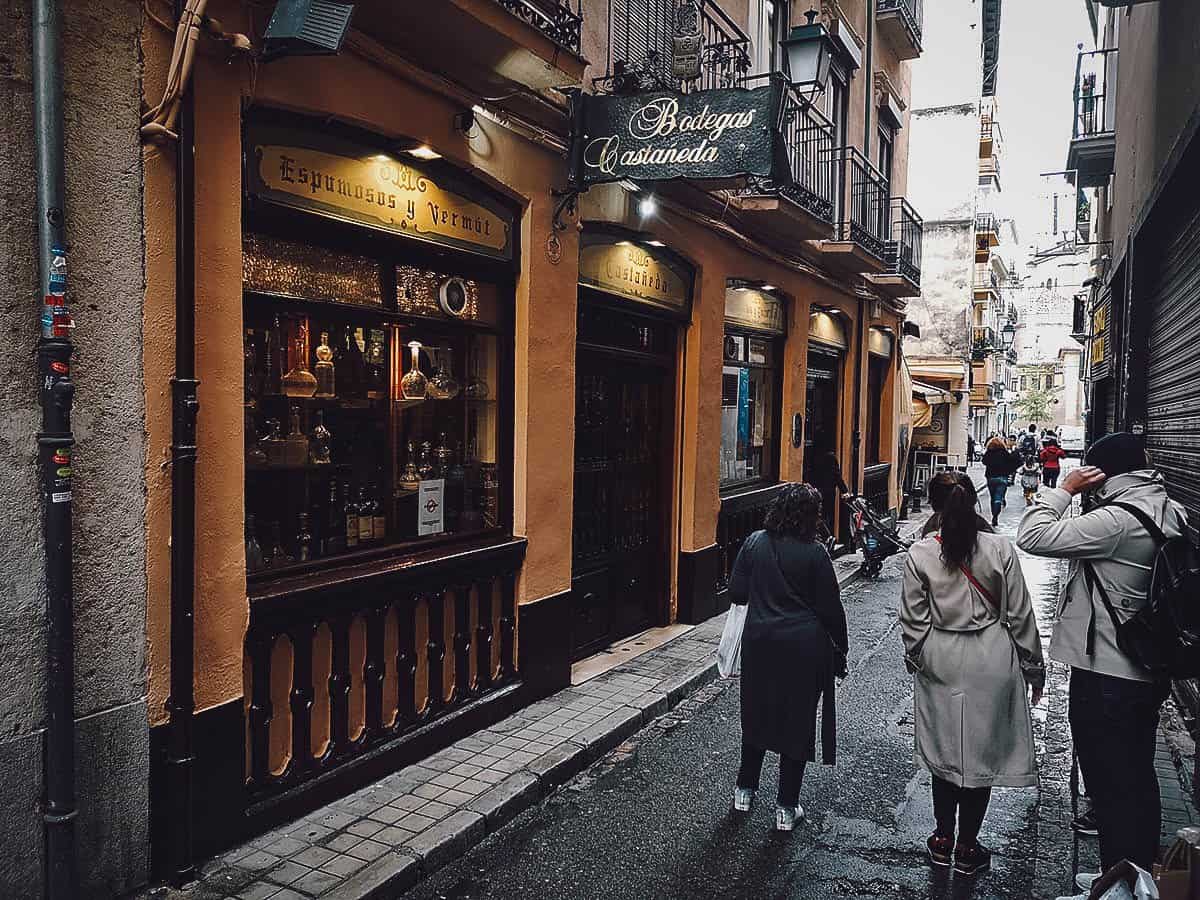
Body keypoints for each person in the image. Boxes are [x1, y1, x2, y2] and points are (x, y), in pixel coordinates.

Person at [1016, 433, 1188, 883]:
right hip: (1145, 668)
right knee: (1135, 777)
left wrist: (1065, 489)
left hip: (1109, 672)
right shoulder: (1170, 509)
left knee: (1111, 782)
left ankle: (1122, 880)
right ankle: (1132, 873)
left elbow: (1032, 534)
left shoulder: (1118, 519)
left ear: (1102, 473)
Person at [901, 472, 1045, 876]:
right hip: (992, 657)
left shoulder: (921, 553)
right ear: (973, 501)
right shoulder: (1000, 548)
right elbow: (1020, 614)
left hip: (941, 657)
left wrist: (918, 656)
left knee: (945, 755)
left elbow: (913, 620)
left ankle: (942, 837)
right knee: (978, 755)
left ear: (933, 506)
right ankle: (967, 847)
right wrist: (1035, 670)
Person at [728, 483, 849, 832]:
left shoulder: (754, 543)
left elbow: (737, 592)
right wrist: (841, 648)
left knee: (756, 715)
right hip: (803, 649)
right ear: (812, 517)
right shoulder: (815, 554)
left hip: (761, 643)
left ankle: (744, 792)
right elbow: (831, 609)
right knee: (795, 724)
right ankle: (785, 807)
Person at [807, 431, 848, 536]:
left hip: (815, 491)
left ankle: (819, 536)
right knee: (826, 515)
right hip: (828, 492)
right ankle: (827, 537)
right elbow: (837, 475)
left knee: (816, 515)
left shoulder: (812, 456)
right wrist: (844, 491)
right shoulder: (830, 457)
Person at [980, 436, 1020, 526]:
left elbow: (984, 461)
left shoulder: (989, 453)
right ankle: (996, 515)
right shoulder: (1004, 452)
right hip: (1002, 477)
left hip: (991, 478)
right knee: (998, 497)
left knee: (992, 497)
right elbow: (1013, 460)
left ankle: (993, 514)